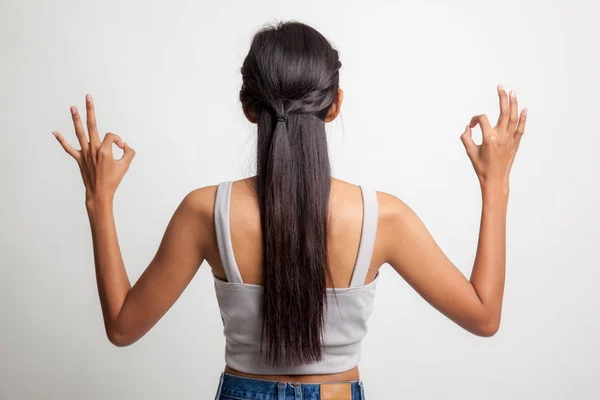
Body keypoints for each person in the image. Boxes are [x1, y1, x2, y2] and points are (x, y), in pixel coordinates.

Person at [51, 20, 527, 400]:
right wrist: (496, 183)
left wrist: (99, 199)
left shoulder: (205, 212)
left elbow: (121, 326)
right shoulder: (383, 218)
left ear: (249, 107)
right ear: (334, 104)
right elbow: (484, 317)